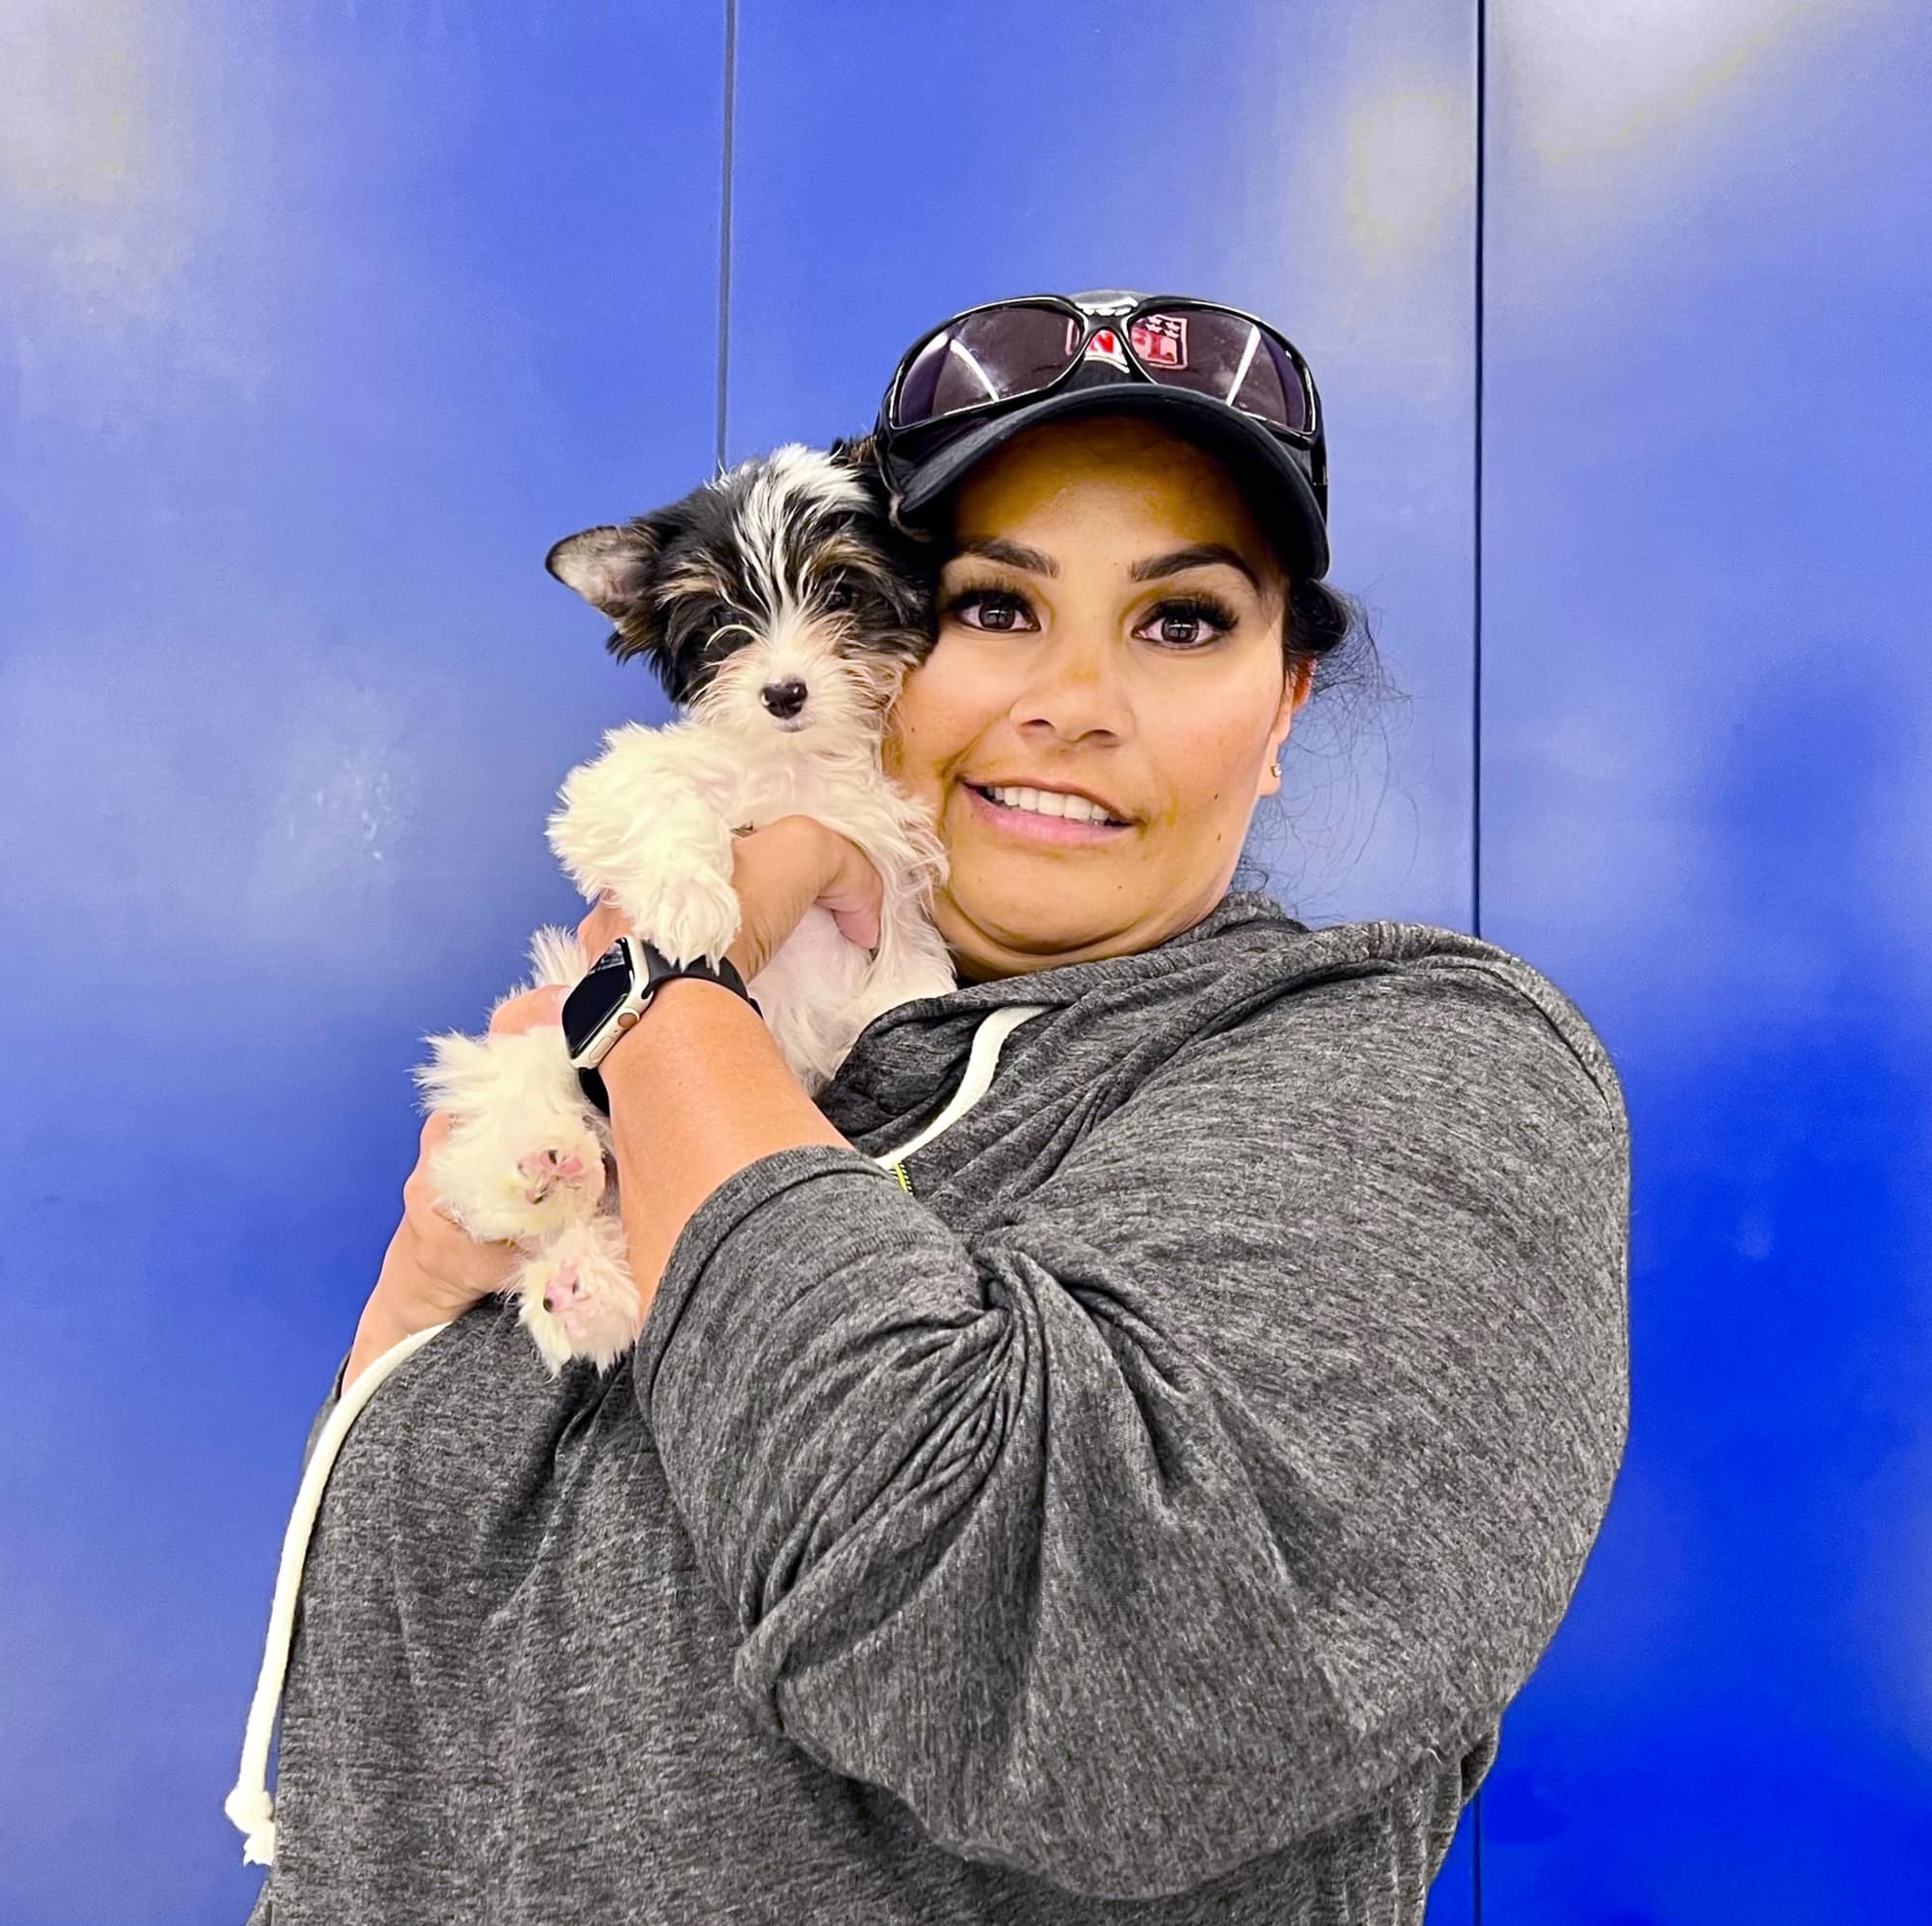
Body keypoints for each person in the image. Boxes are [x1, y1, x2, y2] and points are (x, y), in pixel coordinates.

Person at [242, 291, 1630, 1925]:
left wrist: (665, 986)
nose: (1076, 699)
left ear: (1286, 708)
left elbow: (1036, 1647)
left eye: (1183, 621)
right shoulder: (736, 1050)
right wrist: (410, 1313)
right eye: (992, 605)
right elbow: (391, 1697)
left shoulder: (1428, 1067)